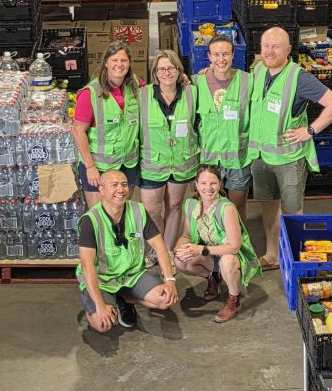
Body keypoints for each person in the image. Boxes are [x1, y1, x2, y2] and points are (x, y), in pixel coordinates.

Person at [247, 27, 332, 269]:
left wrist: (309, 131)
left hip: (289, 159)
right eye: (266, 45)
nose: (269, 51)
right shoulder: (258, 70)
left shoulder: (299, 78)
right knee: (268, 207)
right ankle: (272, 256)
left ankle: (292, 260)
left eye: (276, 46)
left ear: (288, 50)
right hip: (261, 157)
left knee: (291, 212)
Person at [76, 170, 179, 332]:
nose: (121, 189)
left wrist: (169, 280)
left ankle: (122, 298)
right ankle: (99, 300)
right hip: (103, 280)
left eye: (124, 184)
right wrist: (100, 305)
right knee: (103, 325)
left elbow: (160, 246)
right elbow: (87, 267)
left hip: (132, 275)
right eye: (114, 185)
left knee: (166, 299)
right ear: (102, 190)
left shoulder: (138, 210)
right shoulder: (91, 220)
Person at [174, 165, 261, 323]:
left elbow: (234, 247)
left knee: (227, 261)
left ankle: (233, 300)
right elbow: (186, 235)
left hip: (229, 256)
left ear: (220, 184)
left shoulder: (226, 208)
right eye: (203, 183)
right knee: (180, 261)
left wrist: (201, 249)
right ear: (196, 184)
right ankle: (212, 278)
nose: (208, 188)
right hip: (209, 254)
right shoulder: (191, 204)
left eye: (213, 183)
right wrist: (179, 249)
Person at [138, 49, 197, 250]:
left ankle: (169, 251)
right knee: (152, 210)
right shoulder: (142, 95)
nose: (167, 72)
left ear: (179, 70)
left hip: (181, 162)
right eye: (161, 69)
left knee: (174, 206)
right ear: (154, 72)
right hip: (152, 163)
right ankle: (158, 250)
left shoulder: (192, 92)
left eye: (171, 68)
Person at [73, 42, 142, 209]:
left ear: (129, 63)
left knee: (121, 212)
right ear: (106, 63)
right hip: (99, 167)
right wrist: (90, 167)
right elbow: (78, 131)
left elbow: (161, 89)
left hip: (128, 164)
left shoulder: (136, 85)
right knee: (100, 216)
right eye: (114, 60)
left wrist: (182, 79)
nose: (119, 64)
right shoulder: (90, 94)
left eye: (124, 60)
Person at [193, 34, 252, 221]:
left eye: (225, 54)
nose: (221, 59)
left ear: (233, 55)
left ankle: (238, 245)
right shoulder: (196, 82)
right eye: (216, 55)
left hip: (238, 157)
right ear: (209, 57)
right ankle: (213, 243)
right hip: (209, 158)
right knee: (208, 208)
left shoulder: (247, 81)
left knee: (236, 209)